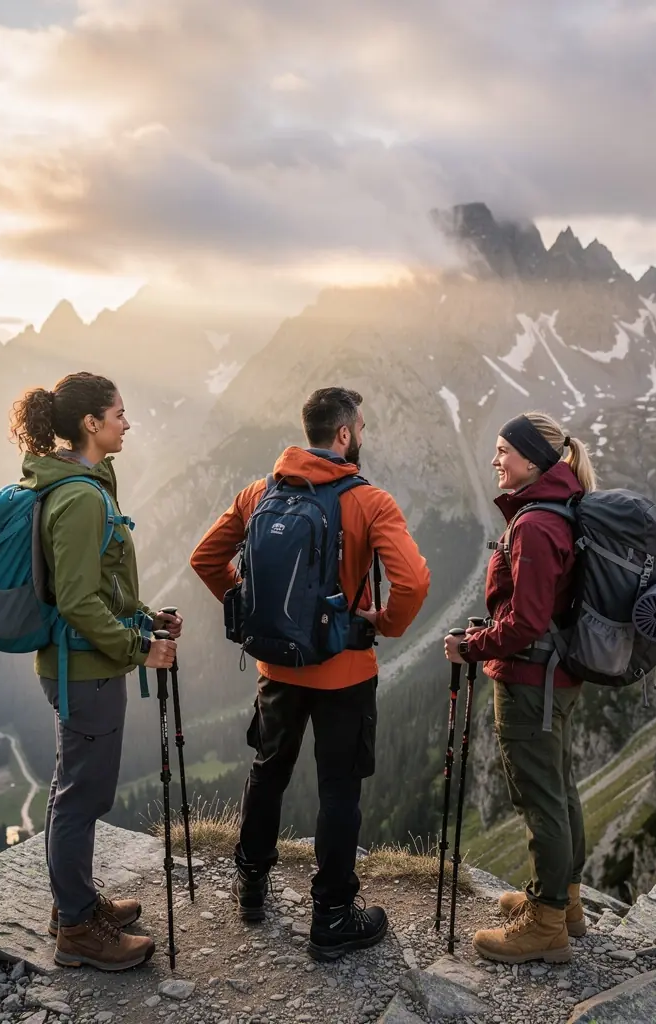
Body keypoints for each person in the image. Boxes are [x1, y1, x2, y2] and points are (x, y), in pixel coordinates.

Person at [190, 387, 430, 961]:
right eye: (362, 429)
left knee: (268, 770)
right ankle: (332, 915)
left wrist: (249, 607)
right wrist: (383, 622)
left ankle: (251, 887)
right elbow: (414, 582)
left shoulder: (259, 492)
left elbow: (204, 557)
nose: (363, 438)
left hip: (277, 666)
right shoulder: (369, 501)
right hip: (344, 671)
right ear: (344, 435)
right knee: (339, 790)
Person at [10, 371, 181, 972]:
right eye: (119, 413)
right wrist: (141, 651)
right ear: (91, 424)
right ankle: (78, 931)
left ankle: (73, 903)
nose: (127, 423)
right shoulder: (81, 496)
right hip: (85, 671)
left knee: (74, 788)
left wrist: (144, 614)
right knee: (82, 796)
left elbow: (102, 585)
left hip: (79, 666)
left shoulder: (84, 483)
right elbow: (79, 601)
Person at [444, 411, 597, 965]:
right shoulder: (561, 509)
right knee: (559, 787)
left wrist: (473, 645)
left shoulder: (534, 524)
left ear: (533, 460)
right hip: (558, 677)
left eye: (504, 451)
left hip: (533, 679)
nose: (495, 461)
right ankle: (564, 904)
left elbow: (527, 622)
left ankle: (546, 926)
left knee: (540, 797)